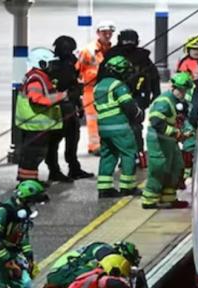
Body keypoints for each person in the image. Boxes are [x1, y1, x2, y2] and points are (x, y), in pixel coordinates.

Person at [99, 29, 161, 161]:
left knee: (134, 127)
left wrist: (156, 96)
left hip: (135, 97)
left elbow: (154, 77)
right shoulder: (112, 56)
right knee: (129, 128)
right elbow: (101, 78)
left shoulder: (142, 58)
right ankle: (129, 154)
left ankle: (134, 154)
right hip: (118, 98)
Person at [94, 55, 144, 198]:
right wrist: (138, 114)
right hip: (119, 127)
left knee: (108, 155)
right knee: (129, 153)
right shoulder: (118, 85)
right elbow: (128, 105)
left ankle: (104, 188)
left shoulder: (98, 86)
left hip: (103, 128)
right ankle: (127, 187)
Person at [15, 49, 68, 183]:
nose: (52, 67)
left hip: (36, 125)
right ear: (42, 63)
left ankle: (28, 180)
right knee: (33, 155)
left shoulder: (38, 76)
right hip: (35, 125)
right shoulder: (36, 79)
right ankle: (28, 182)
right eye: (50, 64)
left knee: (32, 155)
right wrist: (62, 96)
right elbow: (37, 99)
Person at [141, 73, 192, 209]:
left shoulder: (179, 102)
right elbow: (156, 122)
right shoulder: (164, 102)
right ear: (173, 87)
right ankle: (149, 199)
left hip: (169, 141)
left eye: (184, 90)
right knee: (159, 168)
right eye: (180, 90)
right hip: (158, 141)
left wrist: (186, 131)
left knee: (176, 166)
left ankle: (169, 197)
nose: (182, 93)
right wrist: (176, 132)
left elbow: (182, 119)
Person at [48, 35, 94, 181]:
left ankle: (64, 169)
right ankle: (63, 169)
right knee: (64, 140)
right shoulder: (65, 66)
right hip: (63, 108)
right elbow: (73, 87)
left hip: (64, 108)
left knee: (62, 140)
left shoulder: (53, 65)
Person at [77, 20, 115, 155]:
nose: (107, 35)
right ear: (98, 33)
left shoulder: (113, 51)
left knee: (106, 117)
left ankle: (106, 145)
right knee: (93, 120)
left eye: (109, 32)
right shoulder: (88, 51)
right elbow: (78, 69)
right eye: (104, 32)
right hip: (91, 89)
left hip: (107, 89)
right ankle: (95, 146)